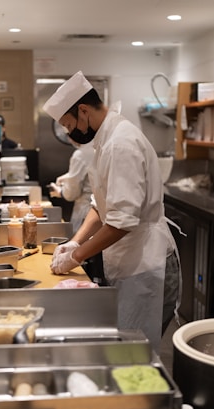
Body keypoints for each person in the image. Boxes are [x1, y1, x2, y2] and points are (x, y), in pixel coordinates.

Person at [42, 70, 181, 351]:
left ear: (83, 110)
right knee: (125, 347)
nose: (71, 133)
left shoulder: (121, 143)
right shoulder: (106, 140)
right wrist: (75, 242)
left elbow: (121, 222)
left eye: (70, 125)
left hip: (147, 263)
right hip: (131, 260)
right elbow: (102, 204)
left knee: (133, 353)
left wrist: (75, 258)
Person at [49, 140, 94, 234]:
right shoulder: (97, 147)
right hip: (98, 211)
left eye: (69, 126)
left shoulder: (80, 154)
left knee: (80, 243)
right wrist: (68, 176)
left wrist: (60, 192)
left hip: (85, 210)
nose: (69, 139)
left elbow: (72, 193)